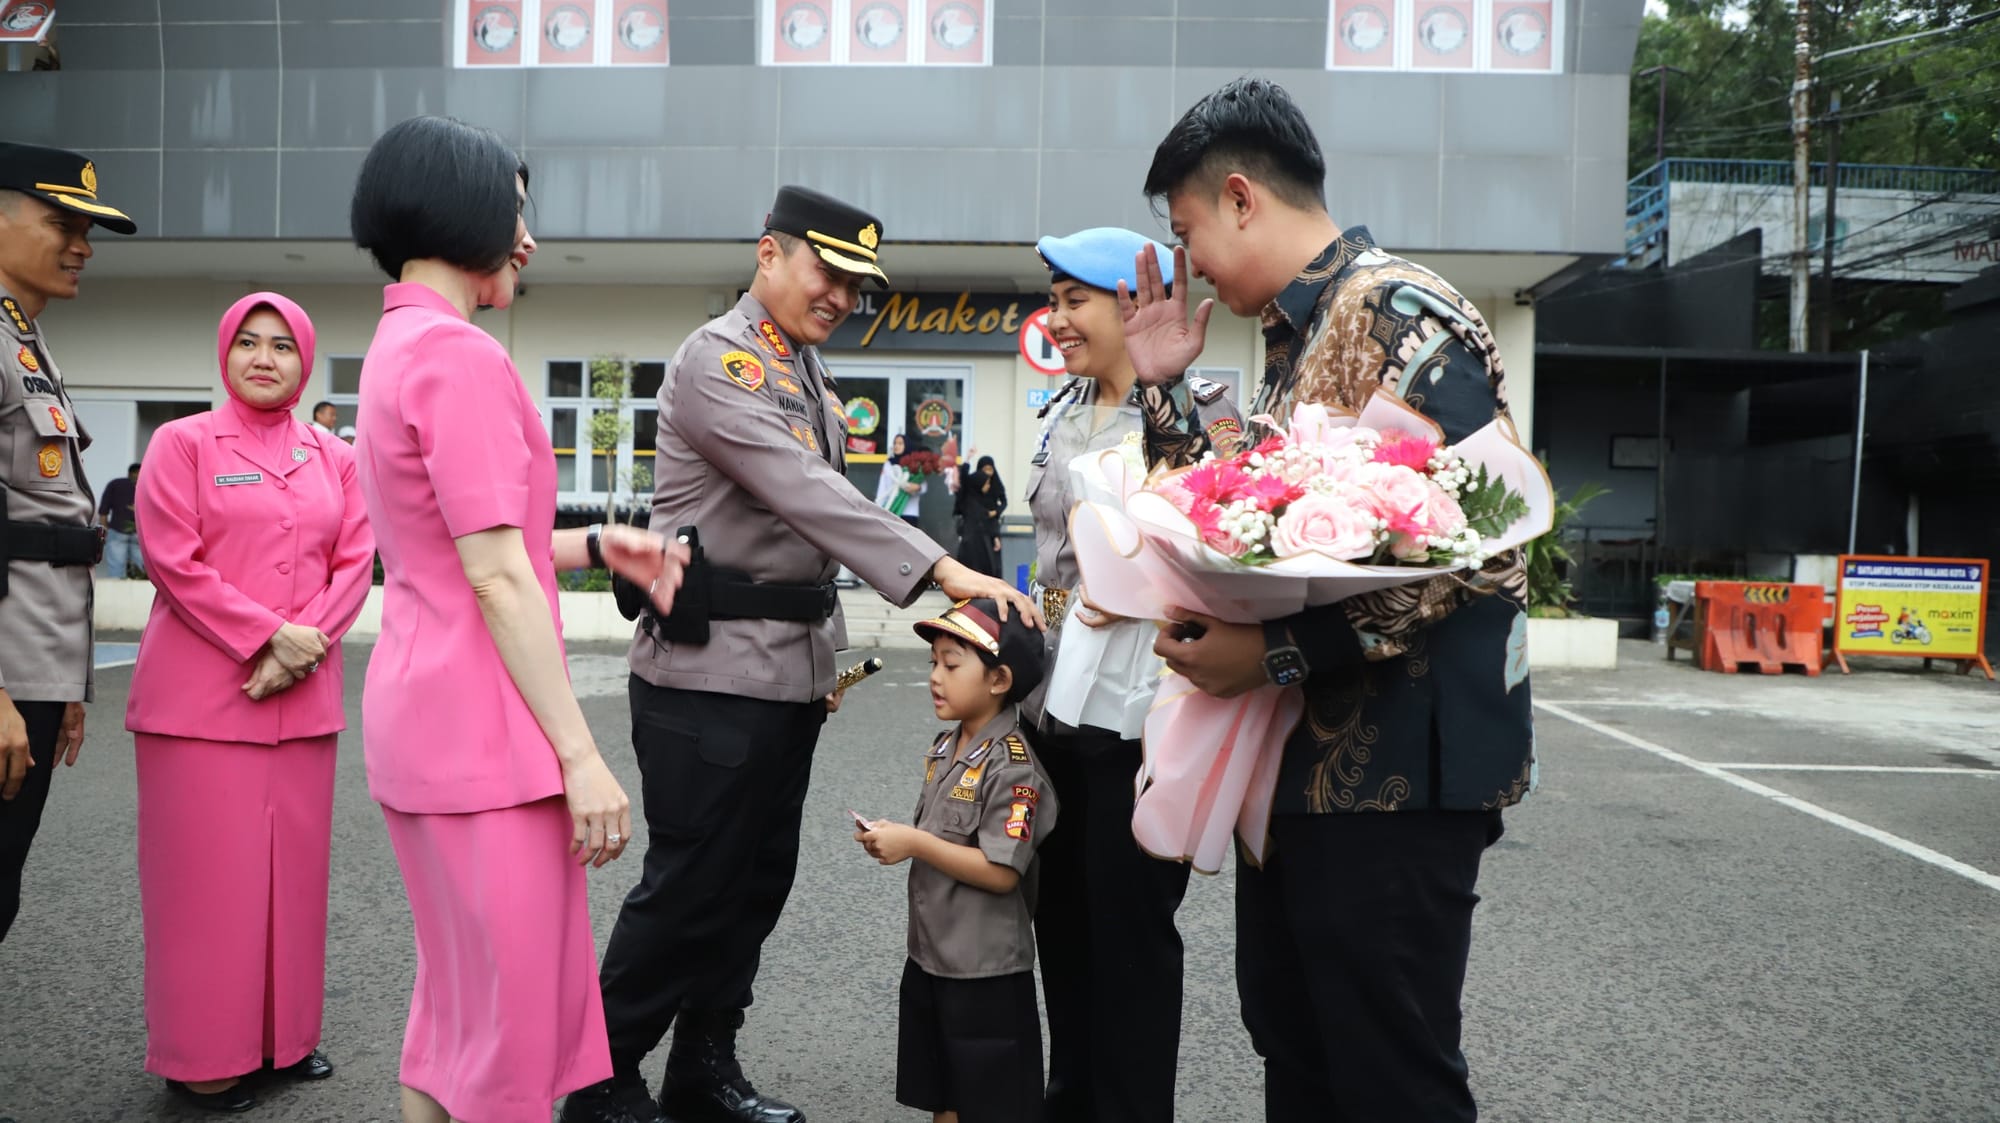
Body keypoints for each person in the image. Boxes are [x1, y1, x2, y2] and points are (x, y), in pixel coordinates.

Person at [562, 186, 1038, 1123]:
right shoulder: (722, 361)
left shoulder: (805, 369)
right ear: (768, 253)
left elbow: (804, 545)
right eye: (829, 271)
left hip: (780, 674)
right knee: (691, 885)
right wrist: (944, 568)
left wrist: (824, 668)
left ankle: (703, 1064)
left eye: (858, 283)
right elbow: (804, 490)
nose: (842, 296)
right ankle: (598, 1076)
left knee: (753, 884)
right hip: (708, 677)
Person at [1129, 78, 1533, 1122]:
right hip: (1310, 772)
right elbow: (1228, 527)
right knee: (1297, 1044)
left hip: (1398, 776)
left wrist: (1268, 656)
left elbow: (1474, 550)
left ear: (1238, 196)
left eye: (1188, 231)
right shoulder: (1296, 341)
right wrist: (1166, 388)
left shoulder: (1395, 312)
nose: (1193, 262)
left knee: (1385, 1072)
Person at [349, 115, 687, 1123]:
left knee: (454, 1007)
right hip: (486, 742)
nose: (527, 235)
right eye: (515, 208)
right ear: (457, 208)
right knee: (507, 1037)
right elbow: (494, 576)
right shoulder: (458, 355)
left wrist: (588, 547)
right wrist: (581, 756)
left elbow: (463, 553)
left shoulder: (394, 343)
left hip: (421, 721)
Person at [127, 292, 374, 1113]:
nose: (264, 358)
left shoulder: (331, 456)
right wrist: (269, 636)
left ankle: (285, 1040)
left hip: (300, 704)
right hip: (200, 705)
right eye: (248, 343)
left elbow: (356, 559)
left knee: (291, 881)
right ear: (225, 354)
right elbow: (172, 558)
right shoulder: (183, 443)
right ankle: (204, 1058)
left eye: (283, 347)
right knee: (207, 887)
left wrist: (300, 651)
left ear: (306, 362)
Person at [1021, 226, 1243, 1123]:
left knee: (1131, 938)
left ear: (1131, 302)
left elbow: (1231, 538)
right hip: (1055, 711)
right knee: (1061, 929)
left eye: (1077, 300)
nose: (1059, 319)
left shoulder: (1208, 406)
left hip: (1147, 712)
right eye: (1056, 299)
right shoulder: (1062, 410)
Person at [0, 142, 137, 943]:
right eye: (63, 222)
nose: (83, 244)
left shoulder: (24, 335)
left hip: (34, 672)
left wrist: (65, 684)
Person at [855, 597, 1057, 1123]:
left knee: (990, 1102)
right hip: (931, 956)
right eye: (932, 663)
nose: (935, 677)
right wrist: (896, 838)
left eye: (951, 663)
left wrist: (914, 843)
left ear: (998, 680)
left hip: (984, 972)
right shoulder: (950, 745)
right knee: (943, 1095)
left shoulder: (1013, 767)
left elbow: (1000, 871)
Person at [950, 455, 1004, 579]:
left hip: (978, 543)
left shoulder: (977, 500)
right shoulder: (970, 502)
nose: (988, 486)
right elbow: (964, 479)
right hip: (974, 545)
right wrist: (967, 460)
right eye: (986, 483)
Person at [96, 461, 142, 578]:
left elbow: (103, 512)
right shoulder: (148, 486)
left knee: (116, 569)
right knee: (141, 570)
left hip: (117, 531)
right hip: (140, 535)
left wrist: (105, 531)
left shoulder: (115, 484)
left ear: (129, 473)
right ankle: (141, 595)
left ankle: (116, 595)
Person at [874, 432, 927, 528]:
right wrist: (879, 508)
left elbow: (923, 486)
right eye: (895, 443)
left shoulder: (914, 464)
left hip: (910, 512)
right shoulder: (889, 464)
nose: (896, 446)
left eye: (900, 443)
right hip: (891, 509)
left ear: (907, 445)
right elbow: (883, 487)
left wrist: (917, 487)